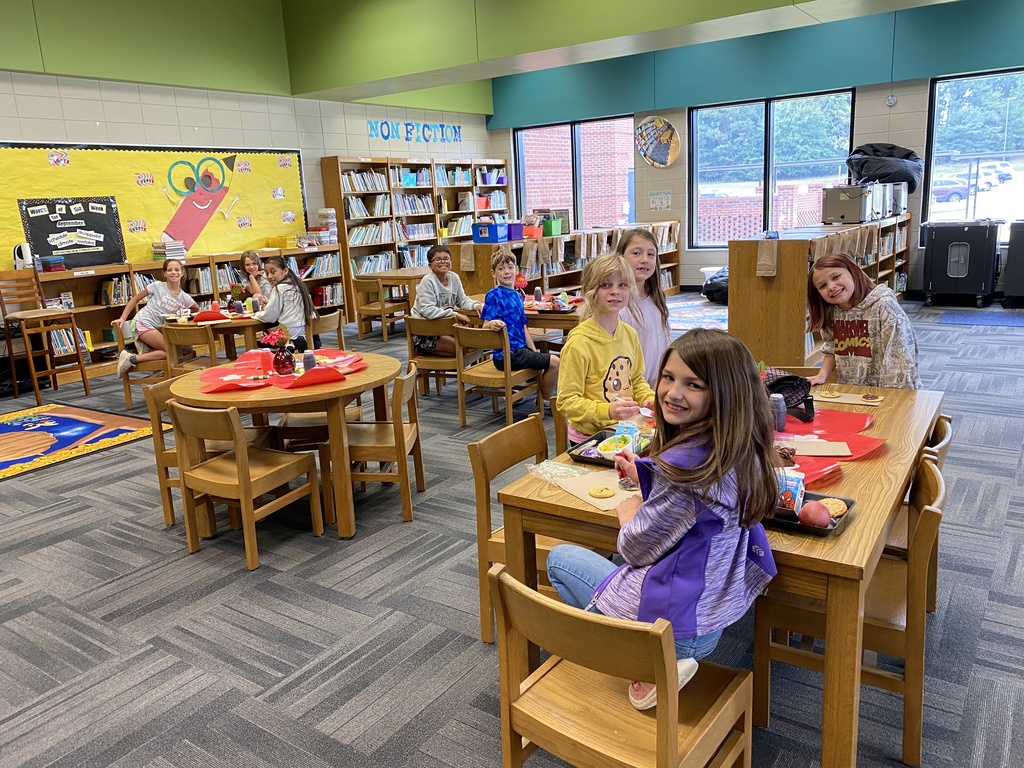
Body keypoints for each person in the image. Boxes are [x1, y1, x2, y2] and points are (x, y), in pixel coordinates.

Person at [546, 329, 778, 710]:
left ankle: (642, 660)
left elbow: (636, 548)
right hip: (715, 607)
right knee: (618, 565)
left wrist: (629, 514)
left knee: (561, 559)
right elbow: (692, 517)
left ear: (725, 391)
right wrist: (650, 476)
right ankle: (645, 643)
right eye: (668, 378)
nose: (672, 392)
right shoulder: (740, 448)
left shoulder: (687, 471)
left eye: (693, 384)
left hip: (677, 628)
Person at [556, 252, 655, 443]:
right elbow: (566, 401)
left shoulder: (629, 334)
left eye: (622, 285)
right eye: (606, 285)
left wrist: (648, 398)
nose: (615, 291)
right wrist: (607, 410)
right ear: (589, 291)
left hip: (624, 429)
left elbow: (636, 380)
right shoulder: (579, 343)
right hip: (590, 437)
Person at [806, 252, 920, 389]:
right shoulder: (832, 311)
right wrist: (822, 375)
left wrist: (889, 400)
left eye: (836, 277)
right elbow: (833, 347)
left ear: (853, 272)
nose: (831, 286)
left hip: (890, 391)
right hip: (854, 392)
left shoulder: (884, 306)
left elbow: (899, 361)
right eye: (822, 286)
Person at [480, 250, 559, 399]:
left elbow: (523, 328)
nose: (507, 272)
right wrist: (491, 323)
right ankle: (546, 400)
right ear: (493, 273)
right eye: (501, 268)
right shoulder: (493, 295)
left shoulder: (517, 295)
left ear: (516, 270)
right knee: (555, 362)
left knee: (543, 359)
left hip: (519, 352)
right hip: (506, 355)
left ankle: (527, 395)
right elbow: (484, 326)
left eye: (510, 267)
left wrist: (533, 350)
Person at [113, 258, 198, 377]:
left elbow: (195, 308)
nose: (173, 272)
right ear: (164, 273)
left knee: (186, 349)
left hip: (158, 328)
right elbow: (135, 299)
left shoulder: (184, 297)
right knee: (171, 350)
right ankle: (132, 359)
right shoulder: (158, 286)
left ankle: (171, 375)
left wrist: (181, 312)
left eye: (177, 269)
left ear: (182, 273)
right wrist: (122, 318)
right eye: (169, 270)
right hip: (142, 322)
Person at [617, 228, 671, 387]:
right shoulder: (617, 304)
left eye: (651, 254)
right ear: (620, 258)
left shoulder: (657, 298)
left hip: (656, 385)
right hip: (629, 388)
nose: (644, 260)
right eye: (636, 253)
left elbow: (663, 343)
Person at [410, 244, 481, 357]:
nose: (443, 262)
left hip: (445, 327)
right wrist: (455, 315)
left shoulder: (454, 277)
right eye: (438, 259)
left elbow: (462, 300)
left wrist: (475, 305)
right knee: (459, 348)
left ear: (451, 262)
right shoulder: (428, 281)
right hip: (425, 331)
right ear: (430, 266)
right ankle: (421, 349)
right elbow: (428, 310)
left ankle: (462, 370)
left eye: (446, 258)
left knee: (471, 342)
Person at [253, 256, 319, 352]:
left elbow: (269, 316)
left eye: (273, 272)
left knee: (264, 338)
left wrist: (257, 314)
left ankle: (290, 343)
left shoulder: (279, 288)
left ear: (285, 271)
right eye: (266, 273)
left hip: (289, 330)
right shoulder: (297, 284)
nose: (269, 277)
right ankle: (294, 343)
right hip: (309, 329)